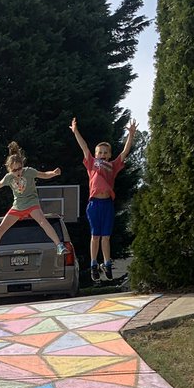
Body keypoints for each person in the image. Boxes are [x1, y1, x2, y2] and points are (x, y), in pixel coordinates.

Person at [0, 142, 68, 268]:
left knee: (43, 221)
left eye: (19, 168)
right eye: (15, 170)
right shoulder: (9, 177)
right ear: (10, 170)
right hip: (17, 206)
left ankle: (59, 245)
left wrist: (53, 173)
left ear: (22, 166)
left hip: (31, 203)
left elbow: (43, 174)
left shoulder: (29, 172)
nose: (18, 172)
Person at [70, 117, 137, 282]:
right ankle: (93, 264)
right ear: (95, 154)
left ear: (109, 155)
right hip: (94, 204)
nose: (102, 154)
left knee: (106, 237)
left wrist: (131, 135)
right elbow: (84, 146)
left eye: (105, 152)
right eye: (100, 152)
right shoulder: (92, 163)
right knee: (96, 236)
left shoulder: (112, 166)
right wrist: (75, 131)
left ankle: (107, 264)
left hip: (107, 204)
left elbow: (124, 152)